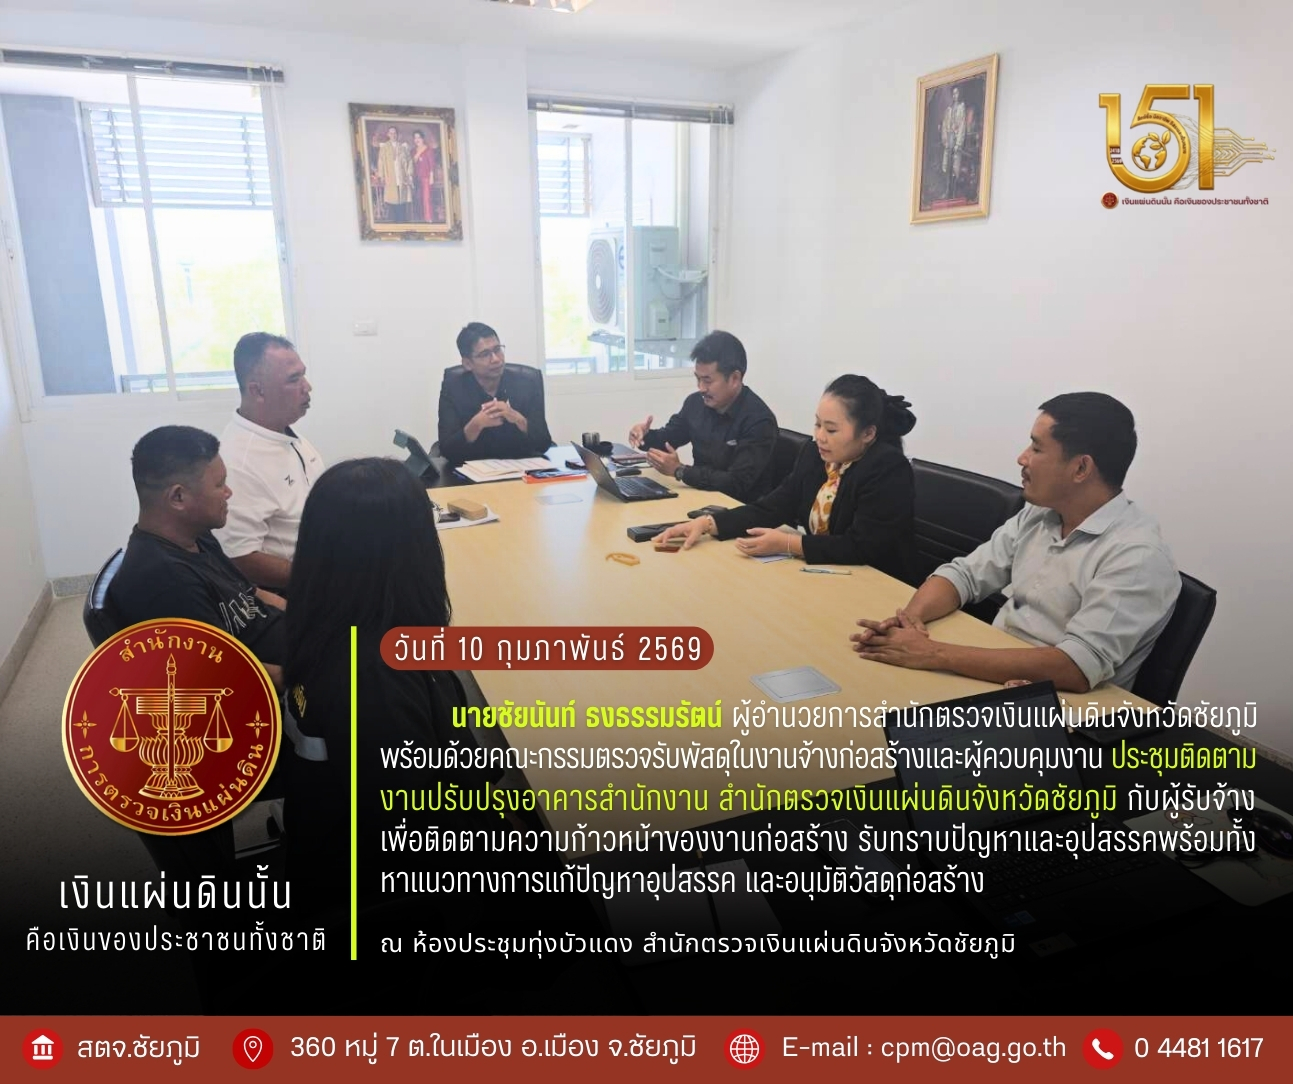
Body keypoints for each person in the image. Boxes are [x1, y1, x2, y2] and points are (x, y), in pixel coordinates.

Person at [851, 393, 1180, 693]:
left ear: (1081, 468)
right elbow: (964, 575)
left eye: (1036, 448)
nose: (1022, 458)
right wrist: (910, 620)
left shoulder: (1137, 556)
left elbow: (1076, 667)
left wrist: (932, 653)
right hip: (998, 669)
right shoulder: (1042, 513)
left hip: (1063, 709)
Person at [656, 375, 917, 580]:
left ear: (868, 433)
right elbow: (774, 506)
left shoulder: (888, 469)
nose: (820, 437)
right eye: (817, 424)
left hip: (880, 583)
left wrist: (791, 544)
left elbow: (862, 547)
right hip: (829, 577)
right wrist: (708, 524)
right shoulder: (815, 455)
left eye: (831, 430)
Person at [109, 425, 285, 687]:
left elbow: (252, 593)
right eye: (220, 484)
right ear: (178, 497)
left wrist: (311, 618)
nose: (228, 493)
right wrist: (314, 671)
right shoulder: (168, 582)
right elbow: (229, 673)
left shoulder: (197, 537)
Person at [214, 332, 323, 591]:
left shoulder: (283, 432)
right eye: (294, 379)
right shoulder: (238, 461)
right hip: (299, 589)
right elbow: (241, 558)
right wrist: (323, 578)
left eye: (303, 375)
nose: (307, 387)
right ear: (257, 390)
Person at [628, 330, 778, 502]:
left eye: (707, 381)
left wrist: (680, 471)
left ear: (735, 378)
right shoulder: (695, 403)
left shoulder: (759, 421)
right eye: (698, 379)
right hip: (701, 497)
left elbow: (737, 483)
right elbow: (669, 439)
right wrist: (644, 436)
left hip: (739, 508)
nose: (701, 388)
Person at [437, 322, 552, 464]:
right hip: (471, 470)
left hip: (521, 468)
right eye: (485, 354)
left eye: (497, 350)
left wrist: (517, 418)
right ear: (467, 363)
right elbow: (447, 449)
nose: (496, 359)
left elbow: (544, 443)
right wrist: (475, 425)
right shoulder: (453, 388)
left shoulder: (527, 383)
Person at [374, 125, 413, 223]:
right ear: (388, 134)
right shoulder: (384, 147)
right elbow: (381, 162)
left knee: (402, 199)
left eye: (395, 133)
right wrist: (382, 176)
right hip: (390, 177)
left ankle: (403, 222)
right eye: (391, 133)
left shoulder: (403, 147)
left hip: (402, 178)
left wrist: (409, 174)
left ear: (397, 134)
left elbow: (409, 161)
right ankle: (397, 222)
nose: (393, 135)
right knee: (393, 199)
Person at [411, 129, 436, 222]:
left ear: (423, 139)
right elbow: (412, 163)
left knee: (426, 198)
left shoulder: (428, 150)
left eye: (419, 137)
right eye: (415, 138)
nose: (417, 140)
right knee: (418, 198)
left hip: (426, 178)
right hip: (416, 178)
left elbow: (432, 164)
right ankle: (420, 219)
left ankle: (428, 218)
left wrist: (432, 177)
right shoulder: (413, 151)